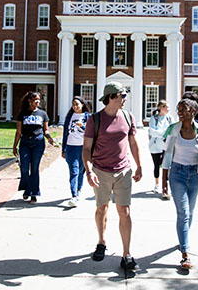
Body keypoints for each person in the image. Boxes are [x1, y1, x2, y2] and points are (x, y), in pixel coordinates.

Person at [82, 81, 142, 271]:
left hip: (123, 171)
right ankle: (101, 242)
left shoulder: (128, 116)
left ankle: (127, 254)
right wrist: (89, 170)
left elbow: (133, 143)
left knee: (124, 211)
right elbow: (86, 148)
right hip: (101, 171)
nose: (125, 99)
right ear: (111, 97)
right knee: (102, 208)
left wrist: (139, 165)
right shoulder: (95, 119)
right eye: (122, 96)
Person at [161, 98, 198, 270]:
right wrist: (164, 180)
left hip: (196, 174)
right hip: (177, 174)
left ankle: (183, 239)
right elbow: (167, 155)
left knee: (190, 212)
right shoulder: (172, 129)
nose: (179, 112)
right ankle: (185, 253)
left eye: (183, 109)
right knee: (183, 212)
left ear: (193, 111)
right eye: (178, 109)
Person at [12, 91, 54, 204]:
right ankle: (27, 188)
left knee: (34, 169)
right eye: (35, 99)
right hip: (25, 142)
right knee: (24, 168)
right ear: (29, 101)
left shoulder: (42, 114)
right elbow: (18, 131)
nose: (37, 101)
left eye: (39, 99)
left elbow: (45, 130)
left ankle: (33, 194)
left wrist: (49, 138)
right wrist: (15, 145)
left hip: (38, 142)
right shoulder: (23, 114)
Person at [61, 96, 91, 207]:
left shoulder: (88, 116)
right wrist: (63, 148)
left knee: (81, 170)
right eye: (73, 104)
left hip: (83, 147)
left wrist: (83, 126)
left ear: (82, 105)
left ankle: (78, 190)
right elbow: (65, 133)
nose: (75, 106)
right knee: (74, 171)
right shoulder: (69, 116)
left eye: (77, 104)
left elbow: (91, 133)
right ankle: (73, 196)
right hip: (71, 147)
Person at [148, 100, 172, 196]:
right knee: (156, 166)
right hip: (155, 147)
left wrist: (160, 133)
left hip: (166, 146)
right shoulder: (154, 118)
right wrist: (164, 133)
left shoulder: (170, 118)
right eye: (166, 107)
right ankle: (157, 184)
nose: (168, 109)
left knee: (166, 166)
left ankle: (165, 185)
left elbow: (172, 131)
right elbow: (152, 131)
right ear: (161, 108)